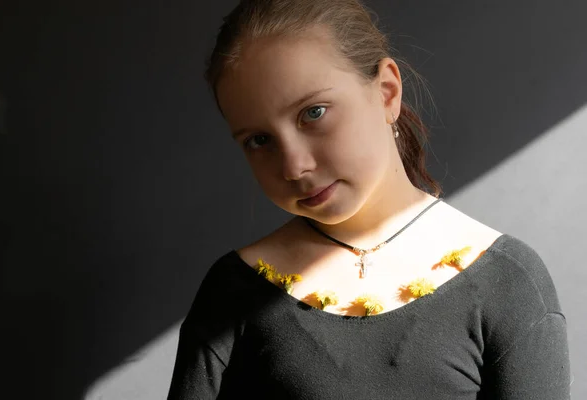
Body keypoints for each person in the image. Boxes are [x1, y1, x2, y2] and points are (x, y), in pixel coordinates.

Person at [167, 0, 571, 398]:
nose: (293, 166)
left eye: (314, 113)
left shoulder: (509, 283)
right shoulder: (233, 292)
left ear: (386, 93)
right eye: (259, 140)